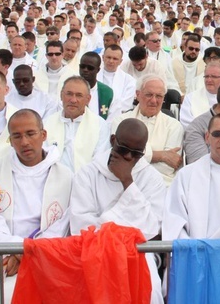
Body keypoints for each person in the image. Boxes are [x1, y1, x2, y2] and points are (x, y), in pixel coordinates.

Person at [0, 109, 72, 304]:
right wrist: (16, 249)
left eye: (30, 133)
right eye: (17, 136)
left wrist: (29, 253)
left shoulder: (66, 177)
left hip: (45, 255)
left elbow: (63, 225)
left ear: (43, 135)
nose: (24, 142)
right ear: (10, 140)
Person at [70, 118, 166, 304]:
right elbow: (81, 227)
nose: (129, 157)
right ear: (113, 140)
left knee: (151, 290)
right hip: (96, 255)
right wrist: (121, 233)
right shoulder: (88, 174)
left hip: (138, 254)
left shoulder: (151, 177)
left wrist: (127, 181)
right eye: (124, 150)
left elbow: (152, 227)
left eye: (136, 153)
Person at [111, 74, 184, 186]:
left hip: (162, 186)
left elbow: (168, 168)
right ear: (138, 95)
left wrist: (133, 158)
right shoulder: (120, 122)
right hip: (122, 184)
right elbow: (118, 160)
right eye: (149, 95)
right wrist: (161, 156)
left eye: (159, 96)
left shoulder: (174, 126)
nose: (154, 100)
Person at [42, 76, 111, 173]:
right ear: (61, 95)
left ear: (88, 99)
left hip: (87, 182)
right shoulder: (47, 123)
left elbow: (100, 161)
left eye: (79, 95)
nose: (73, 100)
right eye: (69, 94)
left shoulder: (100, 125)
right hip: (53, 180)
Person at [180, 63, 220, 128]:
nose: (209, 80)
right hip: (198, 135)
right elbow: (186, 123)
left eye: (213, 76)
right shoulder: (190, 98)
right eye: (206, 76)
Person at [78, 52, 117, 121]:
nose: (85, 70)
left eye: (90, 68)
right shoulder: (71, 88)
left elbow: (112, 119)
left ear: (98, 70)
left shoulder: (107, 92)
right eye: (82, 66)